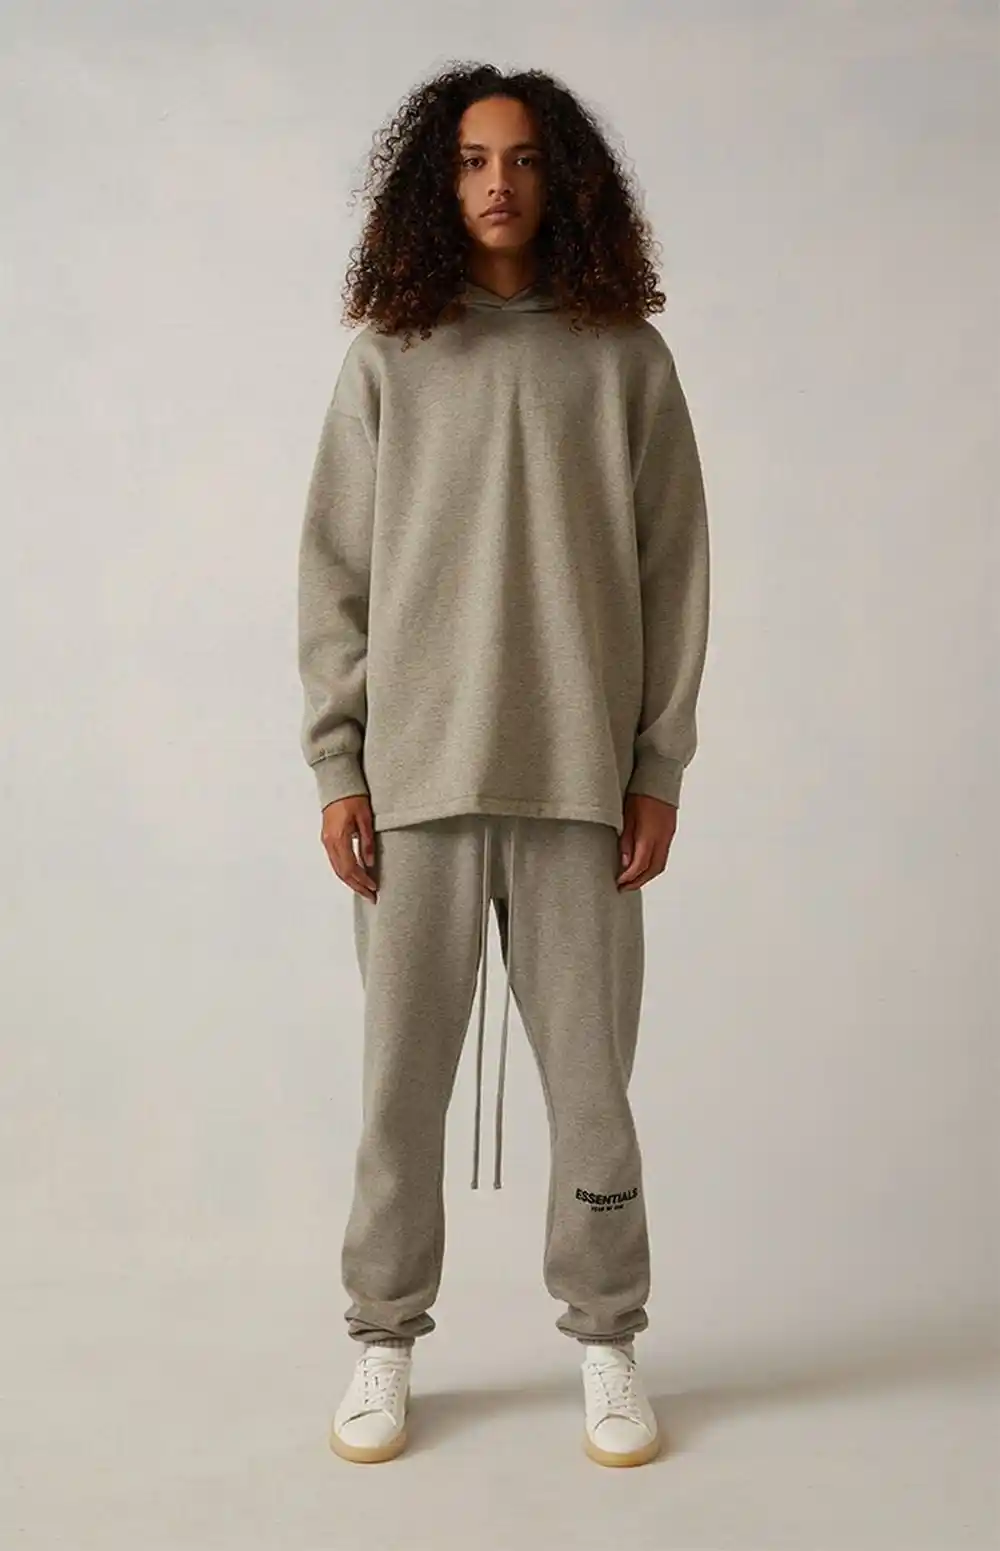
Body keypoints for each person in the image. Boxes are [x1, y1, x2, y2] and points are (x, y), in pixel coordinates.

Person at [296, 62, 710, 1469]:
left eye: (524, 159)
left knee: (592, 1090)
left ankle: (607, 1338)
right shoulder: (388, 358)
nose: (498, 184)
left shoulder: (625, 360)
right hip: (415, 785)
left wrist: (657, 766)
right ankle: (381, 1336)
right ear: (437, 182)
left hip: (580, 785)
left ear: (563, 179)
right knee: (397, 1090)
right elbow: (335, 578)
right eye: (472, 160)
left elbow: (675, 574)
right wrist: (338, 765)